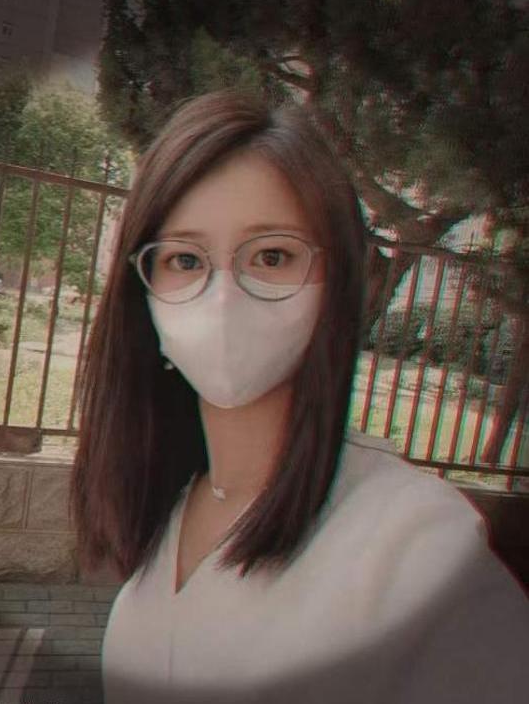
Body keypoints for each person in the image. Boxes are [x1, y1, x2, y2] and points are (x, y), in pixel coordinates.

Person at [70, 91, 529, 704]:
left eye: (272, 256)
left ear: (333, 284)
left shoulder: (415, 544)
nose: (224, 297)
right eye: (185, 259)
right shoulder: (173, 505)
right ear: (143, 292)